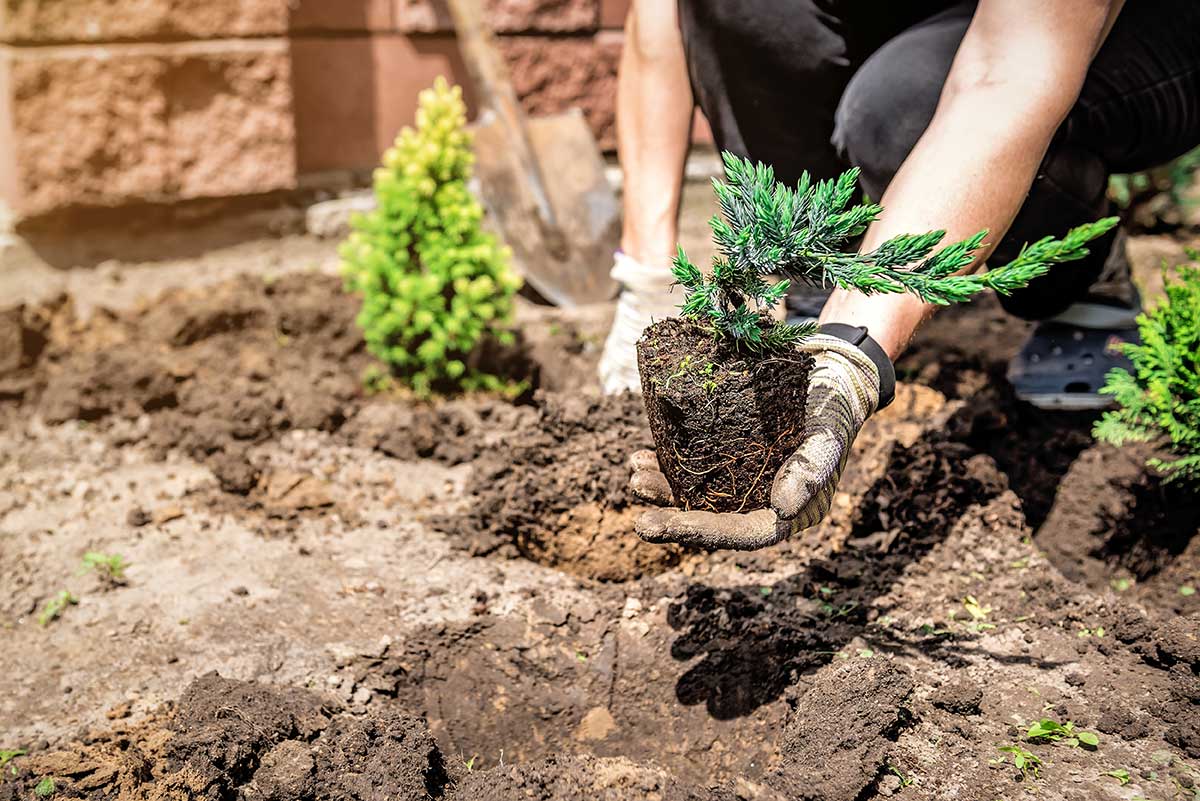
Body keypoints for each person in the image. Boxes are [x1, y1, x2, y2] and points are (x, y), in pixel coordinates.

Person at [600, 0, 1200, 549]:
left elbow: (1006, 73)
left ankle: (1076, 278)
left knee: (900, 107)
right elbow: (662, 18)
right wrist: (647, 282)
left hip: (1116, 30)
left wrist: (851, 355)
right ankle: (814, 292)